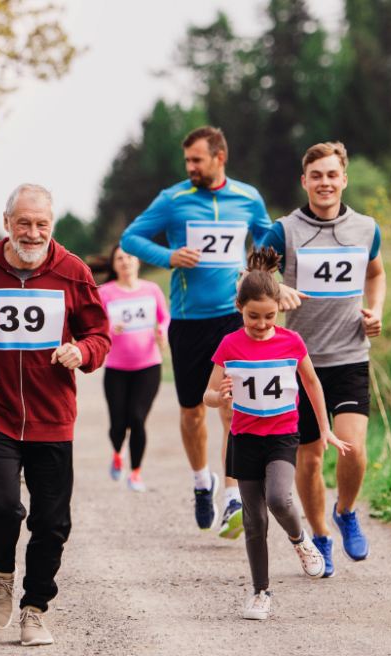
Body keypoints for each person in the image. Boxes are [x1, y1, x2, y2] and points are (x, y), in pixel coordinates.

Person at [0, 183, 111, 647]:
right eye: (24, 223)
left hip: (52, 414)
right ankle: (2, 572)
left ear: (52, 226)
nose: (33, 233)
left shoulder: (73, 272)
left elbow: (99, 334)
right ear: (7, 222)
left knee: (52, 522)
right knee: (3, 505)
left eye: (41, 224)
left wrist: (82, 351)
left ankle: (34, 609)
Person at [121, 126, 273, 539]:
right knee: (192, 413)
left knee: (232, 408)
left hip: (232, 318)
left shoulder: (247, 197)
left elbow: (266, 237)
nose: (190, 167)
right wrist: (169, 256)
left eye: (197, 160)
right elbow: (130, 238)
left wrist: (255, 269)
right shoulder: (173, 200)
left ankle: (233, 497)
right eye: (187, 160)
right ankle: (202, 482)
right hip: (188, 321)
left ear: (219, 158)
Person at [203, 247, 351, 620]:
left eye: (269, 316)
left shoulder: (291, 341)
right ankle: (260, 592)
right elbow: (207, 395)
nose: (261, 323)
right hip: (244, 439)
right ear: (239, 308)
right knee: (253, 521)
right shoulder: (229, 345)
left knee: (280, 500)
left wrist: (325, 428)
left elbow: (312, 384)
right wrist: (219, 396)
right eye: (253, 316)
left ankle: (301, 541)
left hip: (283, 436)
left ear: (279, 310)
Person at [261, 141, 387, 577]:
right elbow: (252, 275)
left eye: (332, 175)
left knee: (354, 448)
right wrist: (276, 288)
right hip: (300, 362)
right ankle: (320, 536)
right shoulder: (284, 231)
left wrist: (377, 310)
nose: (325, 183)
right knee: (310, 459)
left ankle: (346, 511)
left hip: (350, 355)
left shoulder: (367, 228)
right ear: (305, 181)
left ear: (344, 179)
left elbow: (376, 273)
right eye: (316, 176)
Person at [90, 243, 170, 492]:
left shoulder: (151, 289)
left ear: (138, 261)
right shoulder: (105, 292)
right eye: (120, 258)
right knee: (117, 425)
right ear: (114, 265)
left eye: (129, 257)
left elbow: (164, 318)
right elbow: (94, 323)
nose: (125, 261)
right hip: (116, 368)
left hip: (149, 365)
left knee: (137, 418)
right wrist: (108, 328)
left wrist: (162, 331)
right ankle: (117, 452)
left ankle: (135, 473)